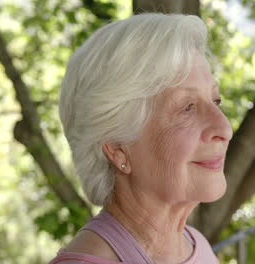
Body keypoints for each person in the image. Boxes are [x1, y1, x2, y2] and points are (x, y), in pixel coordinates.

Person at [49, 13, 233, 264]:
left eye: (216, 101)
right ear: (118, 149)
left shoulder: (195, 245)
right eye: (187, 107)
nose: (224, 128)